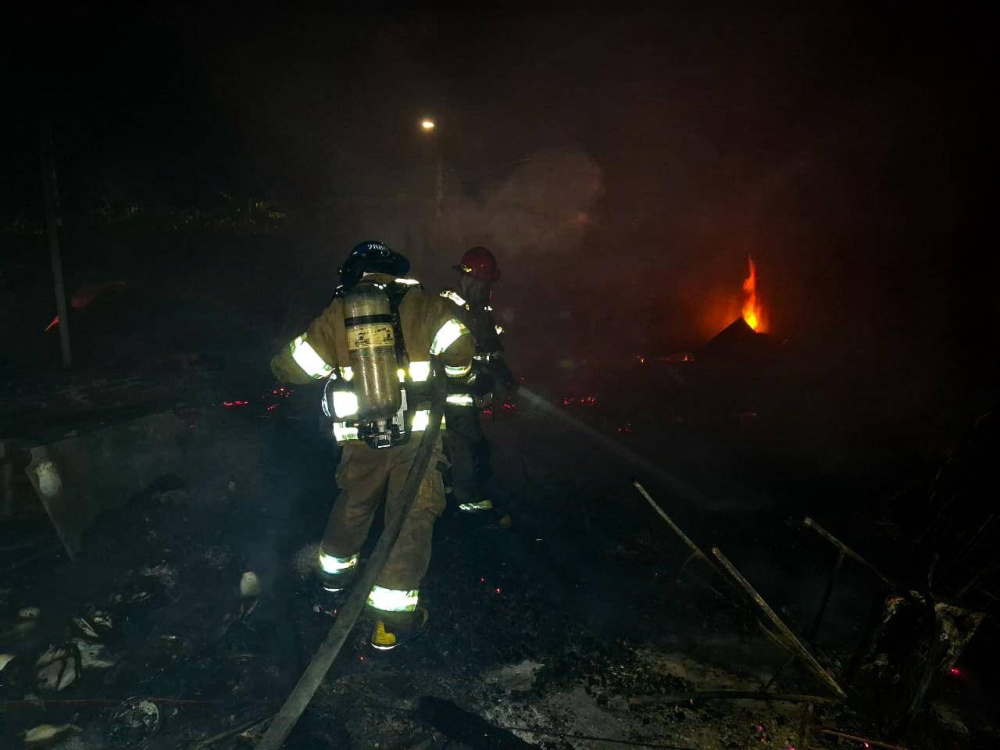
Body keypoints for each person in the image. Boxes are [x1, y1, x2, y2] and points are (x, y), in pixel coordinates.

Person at [270, 241, 474, 650]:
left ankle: (332, 581)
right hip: (418, 438)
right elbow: (461, 351)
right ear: (395, 269)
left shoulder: (340, 312)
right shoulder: (427, 305)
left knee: (354, 504)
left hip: (362, 438)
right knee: (411, 516)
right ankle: (390, 623)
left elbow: (291, 368)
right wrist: (457, 375)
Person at [438, 246, 518, 514]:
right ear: (468, 279)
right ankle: (469, 503)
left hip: (469, 391)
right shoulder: (448, 307)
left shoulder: (479, 309)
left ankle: (450, 495)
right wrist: (475, 376)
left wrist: (502, 374)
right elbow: (447, 354)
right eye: (483, 283)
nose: (487, 289)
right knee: (465, 445)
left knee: (466, 447)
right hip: (451, 391)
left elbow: (489, 349)